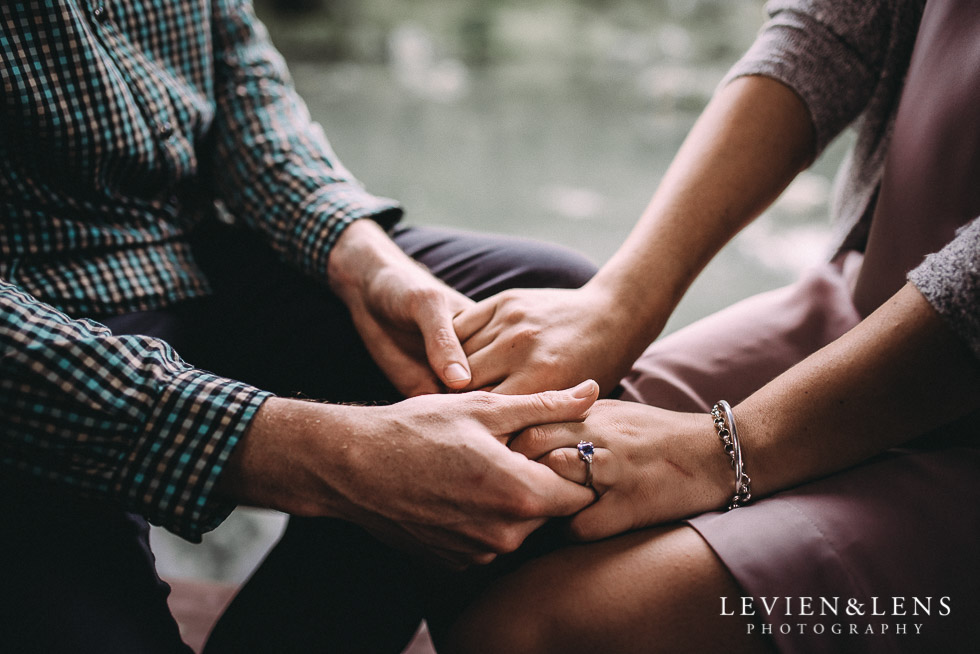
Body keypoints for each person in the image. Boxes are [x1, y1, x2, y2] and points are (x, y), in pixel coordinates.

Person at [0, 1, 603, 651]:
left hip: (185, 249)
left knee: (541, 313)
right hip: (27, 335)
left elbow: (239, 76)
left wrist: (364, 259)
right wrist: (326, 455)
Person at [437, 0, 980, 652]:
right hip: (864, 304)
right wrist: (619, 302)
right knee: (481, 502)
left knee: (539, 631)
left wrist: (723, 450)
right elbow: (829, 33)